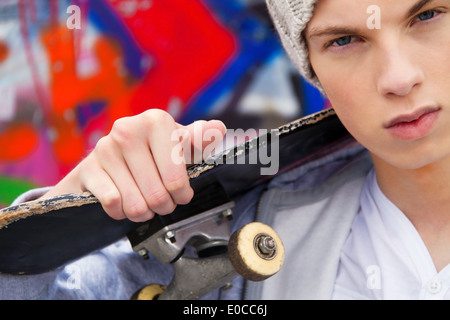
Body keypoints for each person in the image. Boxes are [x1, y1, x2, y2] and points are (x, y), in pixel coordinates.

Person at [3, 0, 450, 299]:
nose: (398, 78)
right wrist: (54, 223)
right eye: (344, 40)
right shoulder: (236, 238)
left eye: (427, 15)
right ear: (311, 64)